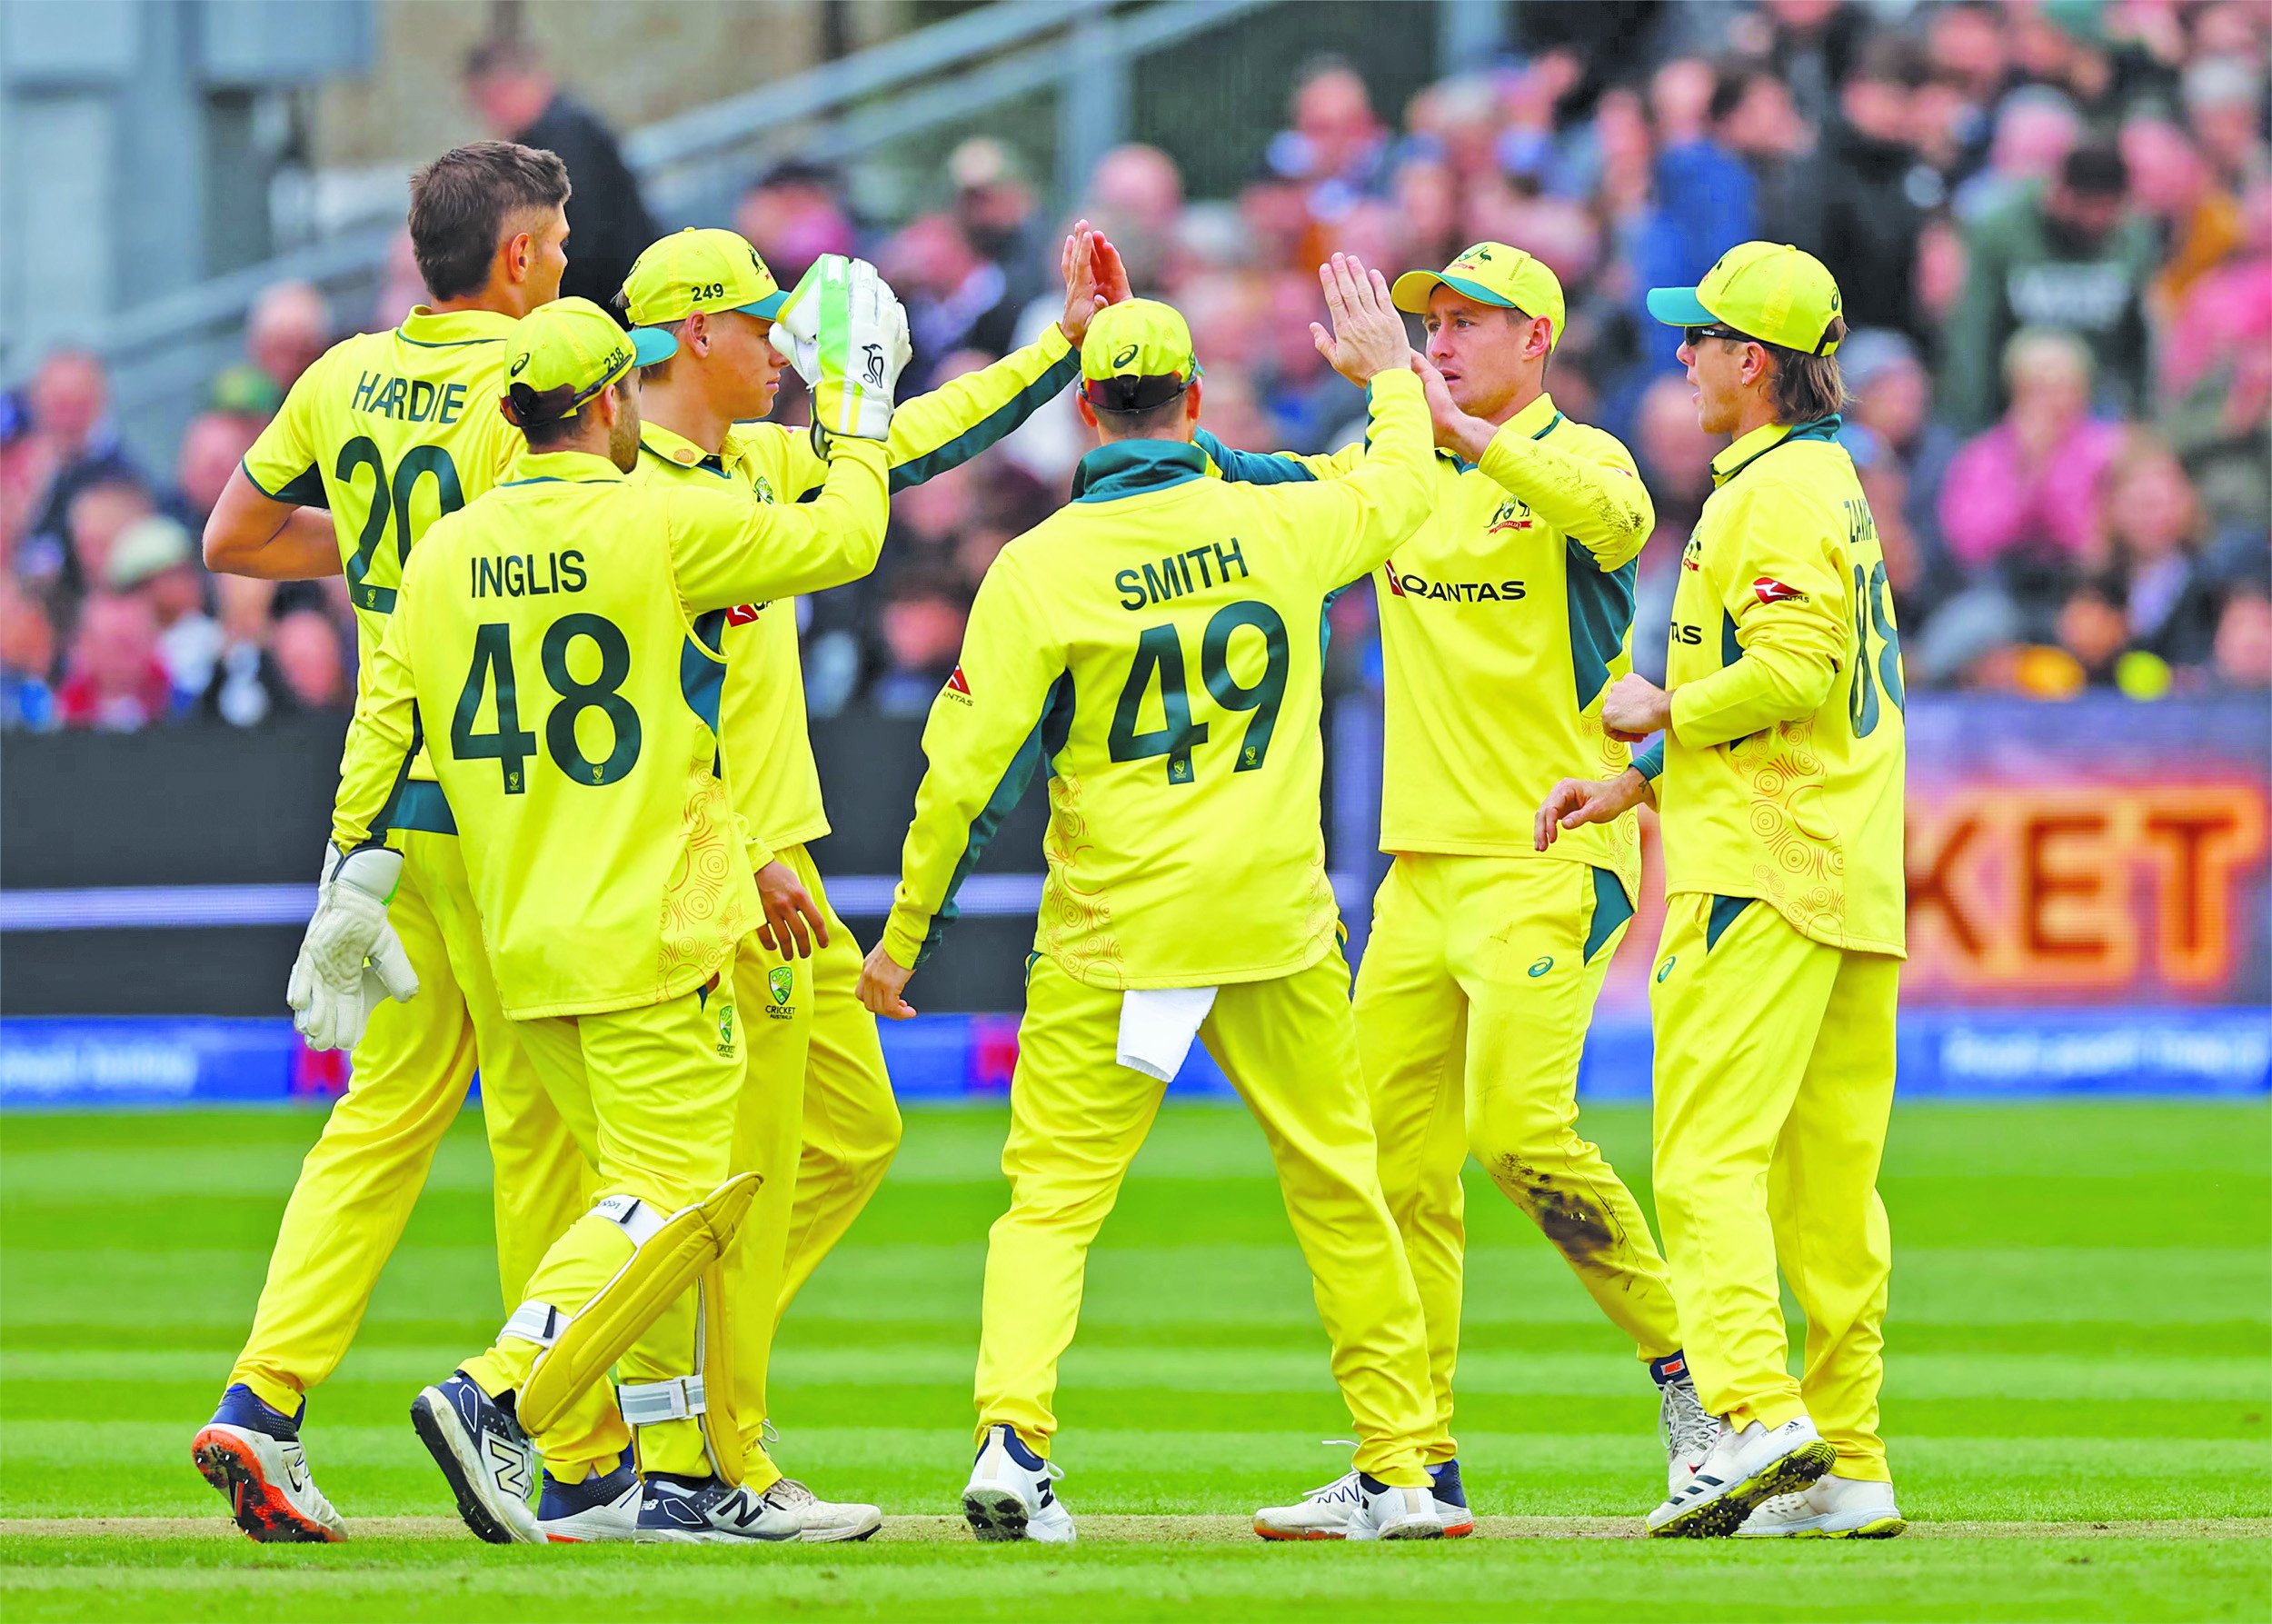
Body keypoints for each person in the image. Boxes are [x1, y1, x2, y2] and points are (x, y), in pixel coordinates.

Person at [301, 283, 901, 1546]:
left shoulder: (443, 551)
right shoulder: (664, 517)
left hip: (518, 933)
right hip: (652, 918)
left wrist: (348, 871)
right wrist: (857, 412)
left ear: (512, 415)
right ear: (616, 400)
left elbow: (382, 725)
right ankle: (501, 1391)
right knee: (682, 1191)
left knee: (636, 1205)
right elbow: (845, 542)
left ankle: (653, 1476)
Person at [858, 269, 1451, 1544]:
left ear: (1084, 411)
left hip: (1115, 930)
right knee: (1341, 1186)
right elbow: (1400, 488)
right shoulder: (1281, 525)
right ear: (1193, 400)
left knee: (1052, 1200)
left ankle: (1014, 1441)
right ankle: (1402, 1464)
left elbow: (964, 780)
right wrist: (1392, 372)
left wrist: (904, 940)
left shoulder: (1038, 565)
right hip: (1274, 918)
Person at [1199, 242, 1713, 1519]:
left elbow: (1624, 524)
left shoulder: (1579, 459)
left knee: (1520, 1133)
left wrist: (1457, 431)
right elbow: (1266, 493)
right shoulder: (1398, 471)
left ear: (1535, 339)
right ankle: (1408, 1460)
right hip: (1420, 873)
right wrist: (1142, 413)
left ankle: (1705, 1385)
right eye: (1432, 318)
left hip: (1550, 855)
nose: (1442, 335)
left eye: (1471, 320)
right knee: (1391, 1170)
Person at [613, 219, 1114, 1529]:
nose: (785, 346)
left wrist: (1057, 349)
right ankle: (713, 1461)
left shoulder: (755, 458)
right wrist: (753, 844)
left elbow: (911, 441)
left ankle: (666, 1370)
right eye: (758, 323)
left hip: (780, 876)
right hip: (724, 879)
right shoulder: (655, 498)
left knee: (853, 1132)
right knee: (752, 1174)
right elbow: (676, 712)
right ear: (694, 337)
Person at [190, 141, 594, 1546]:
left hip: (385, 818)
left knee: (379, 1116)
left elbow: (235, 535)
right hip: (514, 800)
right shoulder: (537, 376)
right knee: (544, 1122)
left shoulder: (343, 373)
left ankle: (264, 1398)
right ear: (521, 257)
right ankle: (558, 1440)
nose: (563, 254)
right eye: (554, 235)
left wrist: (373, 540)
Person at [1543, 242, 1907, 1540]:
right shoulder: (1824, 478)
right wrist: (1640, 782)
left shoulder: (1769, 493)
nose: (1683, 355)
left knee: (1704, 1161)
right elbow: (1799, 691)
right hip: (1848, 869)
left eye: (1699, 338)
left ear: (1753, 361)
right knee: (1825, 1193)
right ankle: (1849, 1457)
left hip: (1760, 866)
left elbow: (1796, 668)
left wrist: (1657, 713)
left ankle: (1757, 1415)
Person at [1943, 142, 2158, 428]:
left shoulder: (2132, 239)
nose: (2099, 220)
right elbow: (1975, 333)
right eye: (2091, 207)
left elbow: (2139, 337)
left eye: (2110, 209)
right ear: (2062, 194)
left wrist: (2141, 414)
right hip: (2011, 402)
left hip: (2096, 400)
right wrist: (1973, 424)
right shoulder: (2002, 233)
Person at [464, 37, 657, 309]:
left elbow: (576, 239)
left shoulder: (566, 137)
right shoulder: (558, 129)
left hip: (621, 300)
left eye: (488, 102)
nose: (489, 117)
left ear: (507, 89)